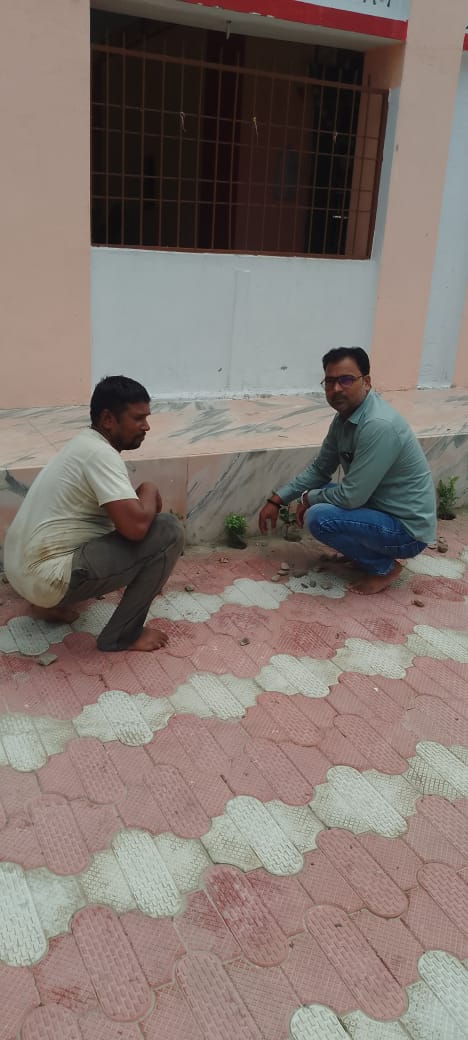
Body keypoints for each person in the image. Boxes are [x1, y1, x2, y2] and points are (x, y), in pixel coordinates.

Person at [4, 375, 184, 651]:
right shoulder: (100, 454)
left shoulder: (82, 444)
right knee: (168, 530)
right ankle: (123, 636)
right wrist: (149, 489)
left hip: (21, 573)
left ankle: (45, 605)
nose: (146, 426)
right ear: (108, 419)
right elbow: (136, 529)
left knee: (129, 517)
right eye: (138, 418)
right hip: (46, 577)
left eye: (146, 418)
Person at [258, 347, 436, 595]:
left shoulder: (378, 425)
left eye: (346, 380)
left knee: (319, 517)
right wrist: (277, 500)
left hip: (406, 531)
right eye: (330, 381)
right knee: (320, 496)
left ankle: (385, 568)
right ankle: (367, 553)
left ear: (367, 382)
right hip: (380, 508)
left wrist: (309, 499)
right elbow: (320, 469)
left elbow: (352, 497)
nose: (337, 388)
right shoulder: (345, 418)